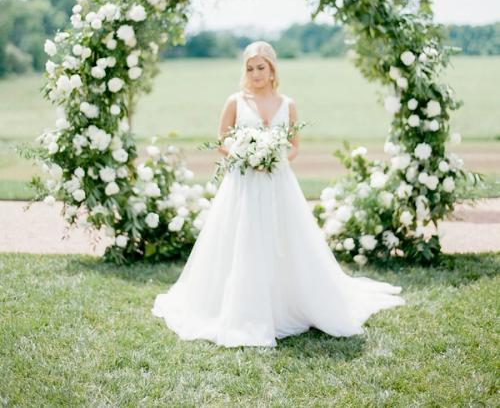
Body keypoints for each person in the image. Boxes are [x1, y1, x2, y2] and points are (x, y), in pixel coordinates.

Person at [152, 41, 405, 347]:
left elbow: (295, 147)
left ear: (272, 70)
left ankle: (290, 301)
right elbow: (222, 140)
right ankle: (241, 306)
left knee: (286, 241)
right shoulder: (235, 101)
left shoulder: (288, 104)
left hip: (278, 182)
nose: (256, 74)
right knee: (242, 240)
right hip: (243, 183)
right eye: (250, 68)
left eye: (261, 67)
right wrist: (245, 154)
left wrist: (276, 156)